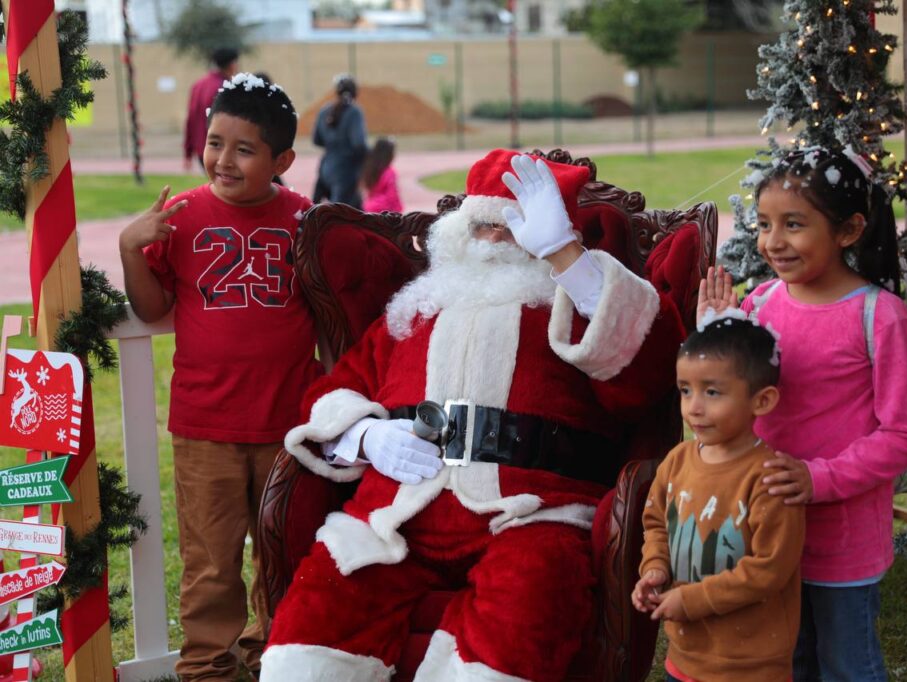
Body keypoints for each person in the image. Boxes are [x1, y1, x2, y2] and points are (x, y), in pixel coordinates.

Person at [259, 149, 684, 680]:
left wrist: (567, 258)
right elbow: (335, 389)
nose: (491, 241)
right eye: (480, 226)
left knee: (527, 605)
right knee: (319, 617)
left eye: (510, 228)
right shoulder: (415, 310)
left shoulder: (579, 302)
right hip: (397, 513)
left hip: (530, 515)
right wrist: (367, 436)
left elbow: (651, 373)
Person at [119, 73, 322, 681]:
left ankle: (278, 656)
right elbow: (153, 309)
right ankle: (208, 665)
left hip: (288, 425)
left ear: (282, 159)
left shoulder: (306, 220)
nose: (222, 159)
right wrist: (133, 249)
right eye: (214, 142)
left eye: (244, 148)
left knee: (284, 552)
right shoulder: (182, 216)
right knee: (211, 559)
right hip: (205, 424)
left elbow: (332, 306)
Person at [700, 146, 907, 681]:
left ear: (849, 230)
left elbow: (904, 435)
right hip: (764, 534)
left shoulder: (880, 317)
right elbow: (723, 414)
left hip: (842, 545)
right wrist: (715, 341)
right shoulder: (757, 305)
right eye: (763, 224)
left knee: (847, 667)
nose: (772, 242)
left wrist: (817, 477)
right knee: (781, 664)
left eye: (794, 224)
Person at [633, 314, 805, 682]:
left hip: (749, 666)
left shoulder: (771, 479)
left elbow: (768, 570)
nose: (694, 407)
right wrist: (655, 568)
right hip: (684, 658)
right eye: (685, 390)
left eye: (712, 392)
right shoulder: (677, 460)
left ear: (761, 401)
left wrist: (691, 601)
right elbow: (656, 524)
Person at [312, 73, 368, 206]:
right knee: (345, 216)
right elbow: (359, 144)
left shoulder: (324, 111)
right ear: (355, 93)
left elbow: (316, 140)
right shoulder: (354, 112)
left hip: (325, 169)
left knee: (318, 212)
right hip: (346, 173)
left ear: (336, 91)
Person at [183, 47, 239, 171]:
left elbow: (190, 118)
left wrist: (188, 151)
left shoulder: (198, 85)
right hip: (222, 149)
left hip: (202, 149)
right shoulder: (227, 87)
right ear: (232, 64)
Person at [361, 137, 403, 213]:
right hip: (385, 211)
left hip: (369, 207)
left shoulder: (370, 169)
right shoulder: (389, 172)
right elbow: (392, 195)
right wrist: (398, 210)